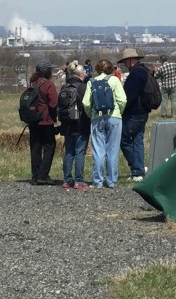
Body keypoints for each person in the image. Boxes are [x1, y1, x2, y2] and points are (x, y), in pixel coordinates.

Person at [89, 59, 126, 189]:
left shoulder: (92, 82)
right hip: (114, 117)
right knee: (113, 150)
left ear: (97, 69)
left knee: (98, 150)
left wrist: (91, 115)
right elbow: (122, 100)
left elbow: (86, 103)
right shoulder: (115, 80)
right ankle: (111, 181)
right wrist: (118, 112)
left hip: (97, 117)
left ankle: (97, 181)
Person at [118, 47, 149, 181]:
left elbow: (129, 96)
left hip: (134, 112)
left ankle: (136, 168)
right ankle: (140, 169)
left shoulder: (135, 74)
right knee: (138, 140)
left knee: (123, 139)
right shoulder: (145, 71)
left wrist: (122, 111)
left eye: (125, 61)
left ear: (130, 60)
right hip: (143, 111)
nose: (124, 64)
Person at [59, 61, 91, 191]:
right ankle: (79, 180)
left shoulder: (64, 88)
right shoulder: (83, 87)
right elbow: (87, 105)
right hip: (80, 123)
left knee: (69, 152)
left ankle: (67, 180)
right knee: (80, 152)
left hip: (67, 124)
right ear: (81, 74)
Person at [26, 61, 59, 185]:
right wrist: (54, 116)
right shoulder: (49, 84)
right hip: (45, 120)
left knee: (35, 147)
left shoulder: (32, 83)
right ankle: (43, 175)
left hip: (33, 119)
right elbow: (53, 103)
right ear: (47, 71)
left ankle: (35, 175)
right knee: (49, 147)